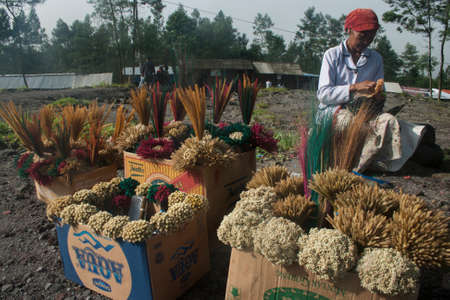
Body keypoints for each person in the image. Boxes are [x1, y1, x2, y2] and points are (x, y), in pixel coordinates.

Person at [317, 8, 442, 172]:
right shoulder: (332, 55)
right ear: (348, 30)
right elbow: (323, 94)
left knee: (389, 121)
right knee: (348, 121)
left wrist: (377, 97)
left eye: (371, 37)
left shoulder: (375, 59)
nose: (366, 41)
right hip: (336, 111)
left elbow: (379, 92)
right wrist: (354, 88)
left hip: (365, 112)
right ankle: (353, 165)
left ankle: (375, 163)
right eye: (362, 35)